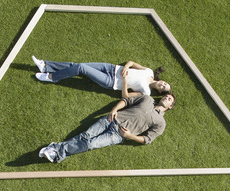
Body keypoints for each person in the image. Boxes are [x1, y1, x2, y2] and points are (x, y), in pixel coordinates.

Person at [39, 93, 176, 163]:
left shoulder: (161, 123)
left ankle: (56, 149)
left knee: (91, 144)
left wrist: (130, 136)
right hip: (111, 119)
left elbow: (147, 139)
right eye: (166, 96)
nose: (166, 98)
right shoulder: (147, 99)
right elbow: (126, 101)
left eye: (169, 99)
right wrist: (114, 109)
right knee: (85, 136)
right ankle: (57, 152)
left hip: (118, 135)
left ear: (169, 107)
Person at [31, 57, 171, 97]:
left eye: (163, 88)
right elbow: (132, 62)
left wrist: (126, 80)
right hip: (111, 68)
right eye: (165, 83)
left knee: (81, 68)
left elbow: (126, 95)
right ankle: (45, 66)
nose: (163, 84)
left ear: (159, 92)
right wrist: (127, 67)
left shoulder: (146, 92)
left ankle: (52, 77)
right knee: (77, 65)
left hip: (111, 81)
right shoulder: (149, 72)